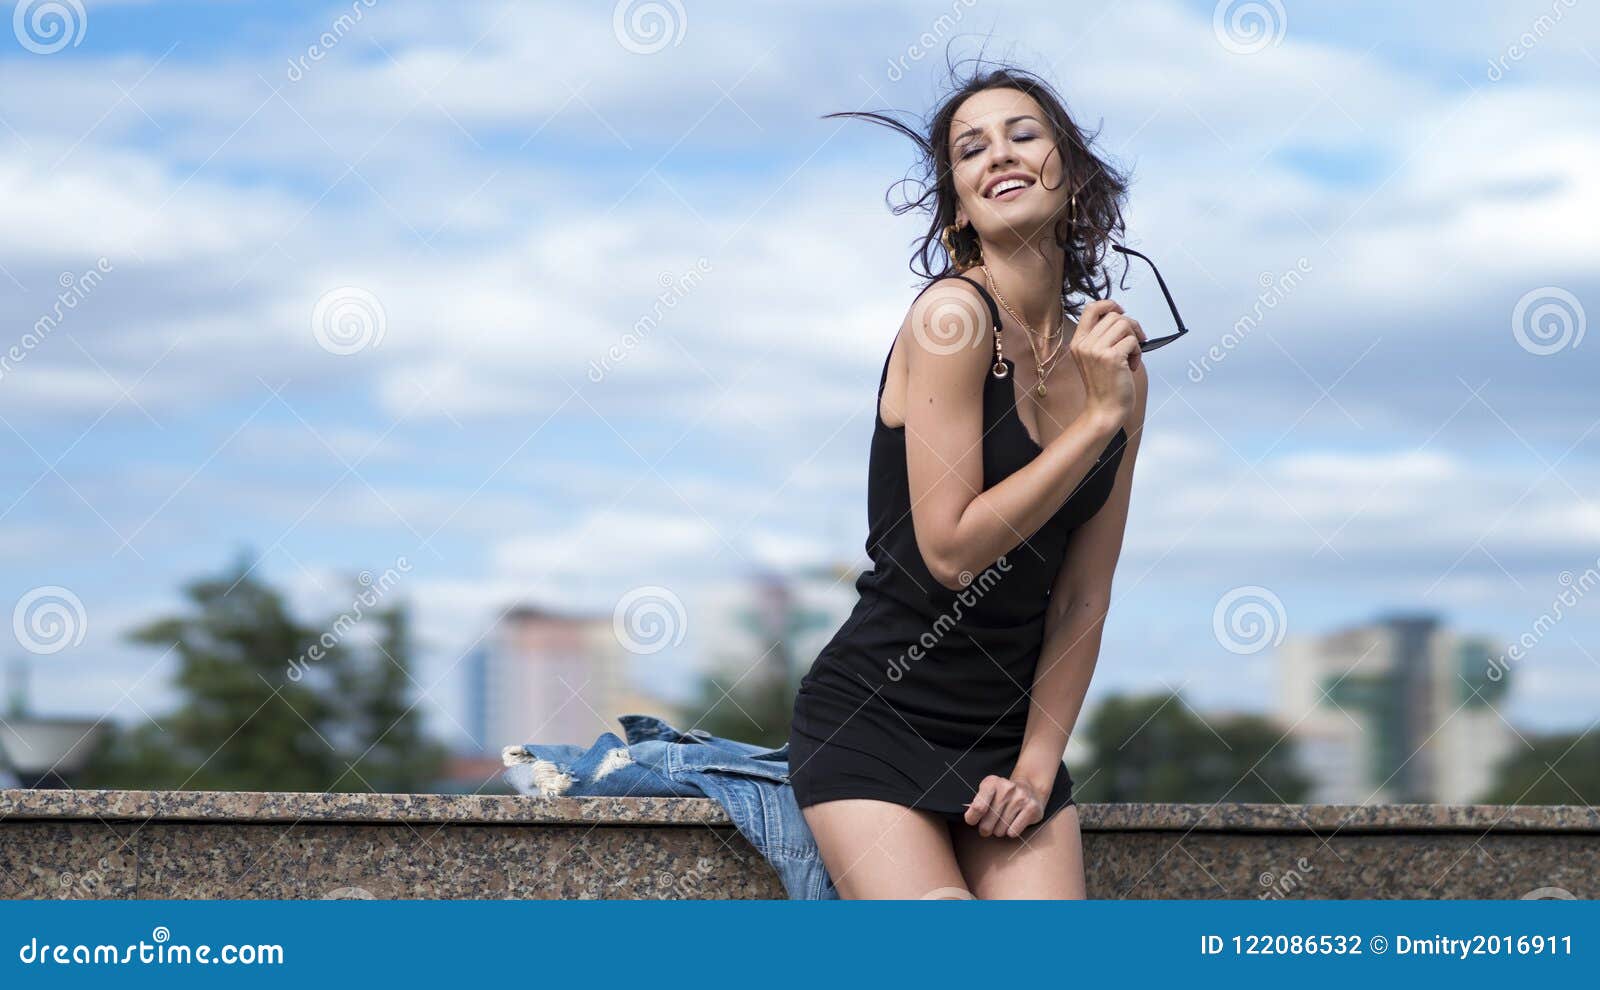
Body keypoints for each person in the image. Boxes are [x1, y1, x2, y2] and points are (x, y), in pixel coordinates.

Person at [786, 63, 1149, 899]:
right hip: (877, 716)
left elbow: (1083, 595)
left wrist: (1034, 766)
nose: (999, 155)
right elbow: (950, 551)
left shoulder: (1113, 360)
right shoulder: (950, 319)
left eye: (1024, 134)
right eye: (969, 149)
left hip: (1009, 733)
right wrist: (1095, 422)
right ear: (957, 204)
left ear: (1075, 175)